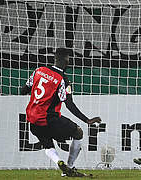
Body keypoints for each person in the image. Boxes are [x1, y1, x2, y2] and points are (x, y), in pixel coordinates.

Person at [20, 48, 101, 177]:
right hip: (49, 120)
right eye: (69, 59)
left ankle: (59, 162)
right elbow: (69, 104)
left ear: (55, 58)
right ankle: (69, 167)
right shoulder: (63, 79)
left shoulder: (39, 71)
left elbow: (23, 90)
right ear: (66, 60)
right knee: (78, 132)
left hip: (33, 121)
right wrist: (87, 120)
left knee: (47, 144)